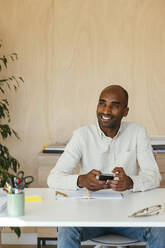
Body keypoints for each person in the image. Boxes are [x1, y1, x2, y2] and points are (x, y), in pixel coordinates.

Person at [47, 85, 165, 248]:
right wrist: (81, 180)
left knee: (161, 230)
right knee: (66, 228)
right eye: (102, 103)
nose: (106, 110)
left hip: (129, 216)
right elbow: (53, 178)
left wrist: (131, 182)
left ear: (125, 111)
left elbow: (154, 176)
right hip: (89, 217)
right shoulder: (81, 135)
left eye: (115, 105)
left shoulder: (137, 132)